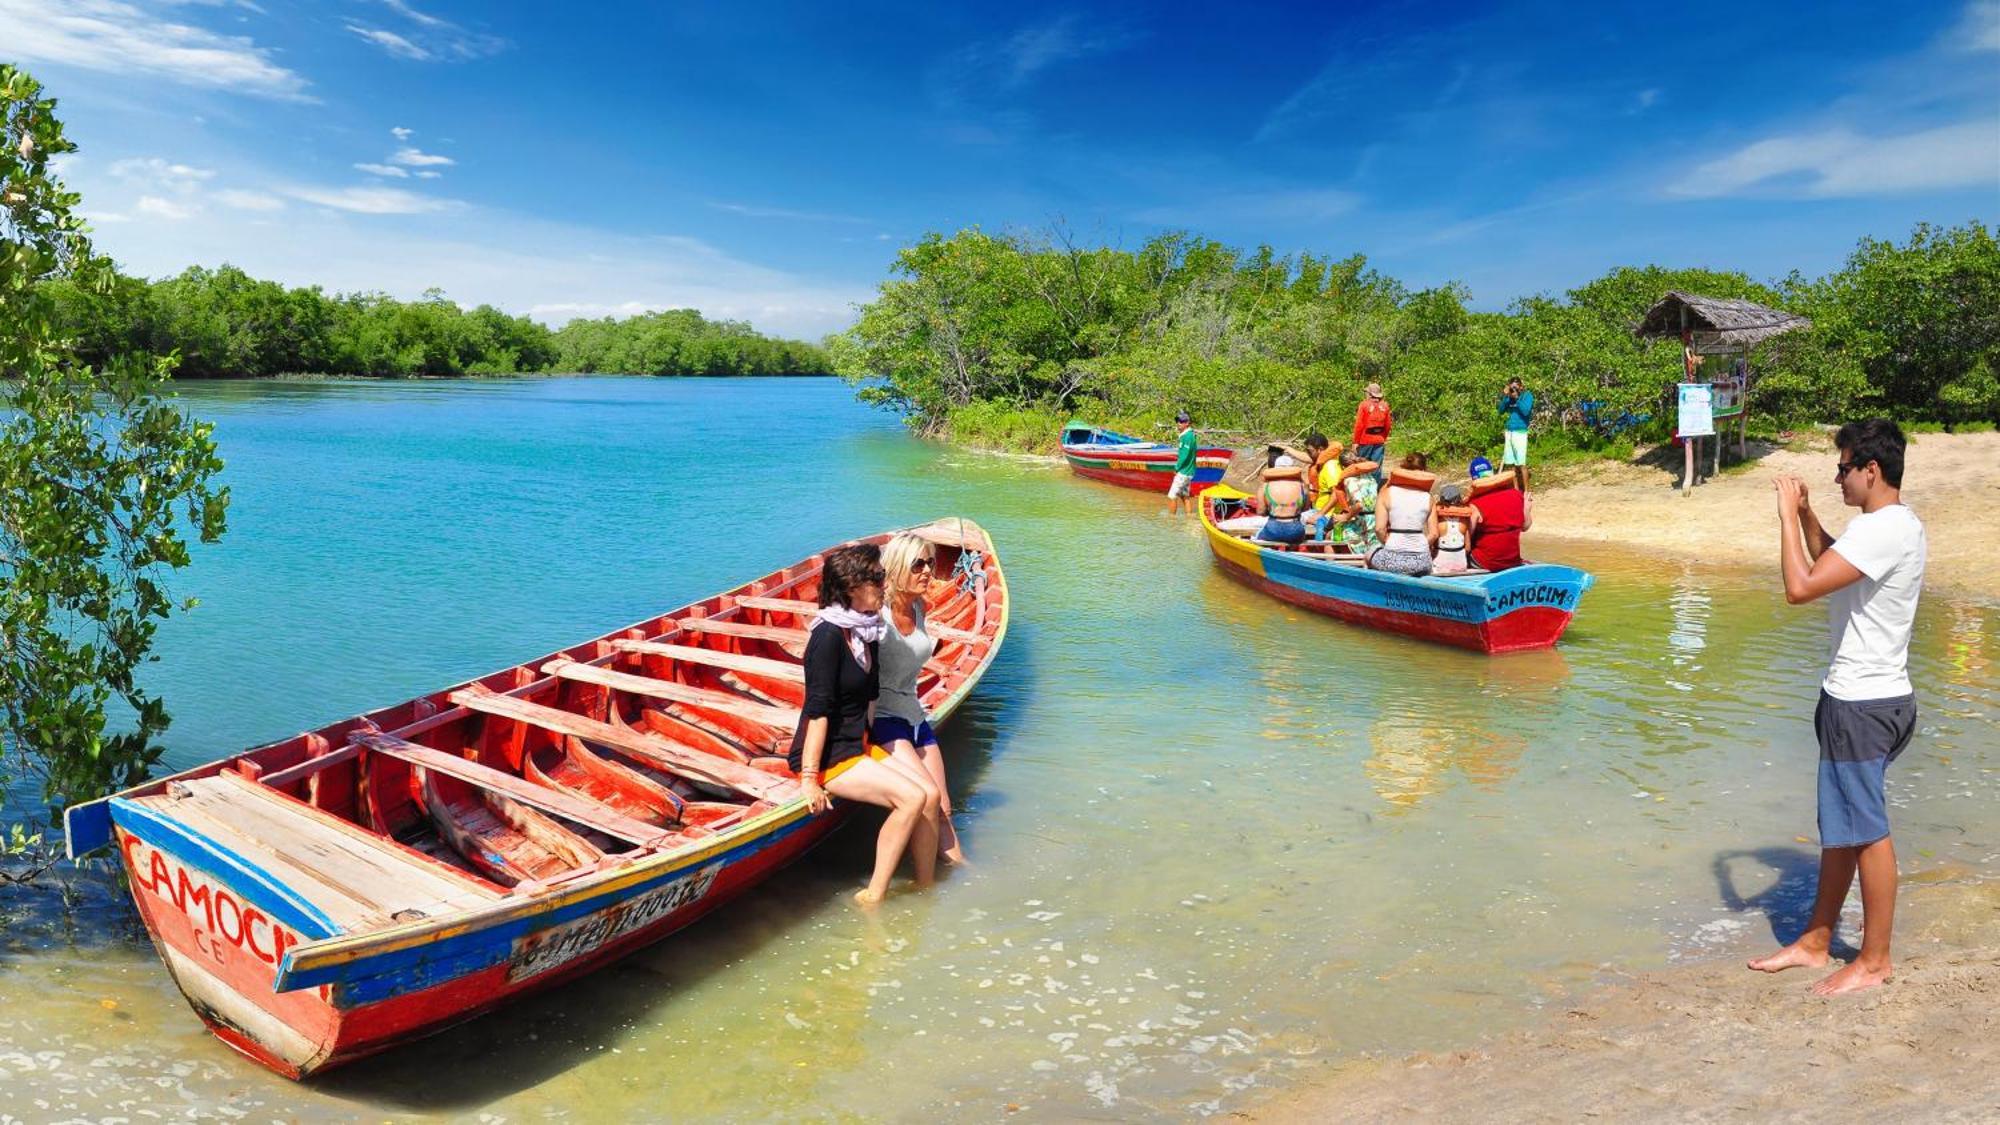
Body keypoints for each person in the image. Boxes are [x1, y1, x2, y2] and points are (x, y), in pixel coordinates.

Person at [1749, 418, 1926, 996]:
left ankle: (1874, 961)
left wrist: (1781, 518)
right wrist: (1805, 519)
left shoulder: (1882, 530)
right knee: (1843, 828)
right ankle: (1817, 941)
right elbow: (1833, 566)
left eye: (1843, 468)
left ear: (1870, 470)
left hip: (1863, 704)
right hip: (1870, 698)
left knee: (1867, 830)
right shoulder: (1886, 526)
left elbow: (1800, 586)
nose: (1837, 478)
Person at [793, 543, 940, 906]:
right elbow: (818, 711)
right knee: (912, 797)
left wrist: (875, 750)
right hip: (831, 757)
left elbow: (871, 697)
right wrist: (810, 780)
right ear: (850, 587)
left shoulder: (866, 631)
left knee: (931, 795)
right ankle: (874, 895)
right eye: (875, 579)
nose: (882, 584)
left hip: (857, 745)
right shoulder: (827, 636)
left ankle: (926, 886)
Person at [871, 533, 964, 866]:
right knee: (927, 798)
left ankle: (961, 872)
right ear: (896, 569)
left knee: (944, 808)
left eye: (931, 563)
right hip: (883, 719)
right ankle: (923, 886)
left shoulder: (919, 606)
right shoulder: (875, 617)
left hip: (914, 716)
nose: (928, 571)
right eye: (918, 564)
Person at [1368, 452, 1435, 576]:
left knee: (1369, 554)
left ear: (1403, 468)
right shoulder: (1429, 497)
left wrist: (1388, 542)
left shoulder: (1385, 493)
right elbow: (1434, 534)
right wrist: (1419, 546)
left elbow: (1379, 529)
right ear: (1424, 470)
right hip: (1422, 562)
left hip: (1392, 560)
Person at [1467, 459, 1532, 572]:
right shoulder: (1516, 495)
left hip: (1485, 562)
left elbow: (1467, 538)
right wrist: (1527, 508)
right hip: (1512, 560)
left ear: (1473, 479)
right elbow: (1526, 526)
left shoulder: (1474, 504)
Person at [1330, 447, 1380, 553]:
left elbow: (1359, 505)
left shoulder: (1349, 480)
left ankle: (1330, 567)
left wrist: (1345, 517)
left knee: (1330, 538)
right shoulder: (1370, 476)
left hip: (1361, 523)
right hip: (1374, 520)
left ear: (1343, 467)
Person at [1254, 452, 1309, 547]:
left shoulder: (1265, 486)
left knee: (1257, 537)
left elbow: (1260, 512)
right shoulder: (1302, 486)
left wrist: (1272, 510)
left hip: (1273, 528)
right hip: (1296, 530)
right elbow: (1305, 508)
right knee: (1297, 537)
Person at [1432, 484, 1480, 574]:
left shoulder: (1437, 518)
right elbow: (1468, 548)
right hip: (1461, 565)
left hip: (1440, 566)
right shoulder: (1465, 519)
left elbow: (1432, 540)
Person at [1497, 377, 1534, 491]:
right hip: (1510, 431)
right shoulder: (1510, 397)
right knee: (1511, 464)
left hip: (1520, 432)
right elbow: (1500, 410)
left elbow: (1526, 411)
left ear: (1521, 386)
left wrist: (1517, 398)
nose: (1514, 389)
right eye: (1511, 386)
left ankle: (1527, 491)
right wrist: (1506, 396)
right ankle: (1516, 490)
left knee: (1521, 463)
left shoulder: (1527, 396)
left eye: (1515, 387)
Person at [1351, 383, 1391, 482]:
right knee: (1376, 466)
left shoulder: (1364, 405)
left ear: (1369, 393)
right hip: (1379, 440)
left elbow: (1359, 425)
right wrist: (1383, 438)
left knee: (1362, 464)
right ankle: (1375, 489)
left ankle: (1362, 488)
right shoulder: (1385, 406)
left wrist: (1355, 441)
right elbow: (1388, 425)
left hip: (1365, 440)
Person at [1166, 411, 1199, 517]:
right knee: (1185, 496)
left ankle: (1172, 520)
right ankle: (1189, 517)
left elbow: (1184, 455)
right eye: (1178, 421)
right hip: (1189, 472)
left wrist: (1177, 468)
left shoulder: (1187, 437)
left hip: (1184, 472)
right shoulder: (1189, 435)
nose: (1178, 423)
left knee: (1172, 495)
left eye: (1181, 421)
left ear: (1187, 423)